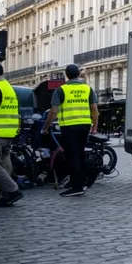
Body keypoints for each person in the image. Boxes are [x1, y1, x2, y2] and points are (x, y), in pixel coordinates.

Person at [42, 64, 98, 197]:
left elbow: (53, 111)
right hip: (85, 125)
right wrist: (95, 126)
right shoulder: (88, 89)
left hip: (69, 126)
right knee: (79, 154)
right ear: (79, 74)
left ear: (66, 75)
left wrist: (46, 127)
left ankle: (77, 187)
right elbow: (94, 108)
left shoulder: (61, 90)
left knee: (72, 156)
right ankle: (79, 182)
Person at [0, 63, 24, 207]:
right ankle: (5, 192)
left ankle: (11, 190)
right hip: (8, 132)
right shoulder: (8, 87)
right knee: (5, 161)